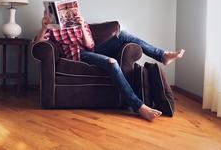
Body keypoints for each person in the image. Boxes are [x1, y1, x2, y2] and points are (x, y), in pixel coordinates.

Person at [35, 14, 185, 122]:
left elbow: (90, 46)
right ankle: (139, 106)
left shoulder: (82, 23)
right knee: (112, 62)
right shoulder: (52, 29)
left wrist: (81, 26)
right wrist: (44, 27)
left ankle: (162, 55)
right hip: (77, 56)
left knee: (124, 34)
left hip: (89, 51)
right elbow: (38, 45)